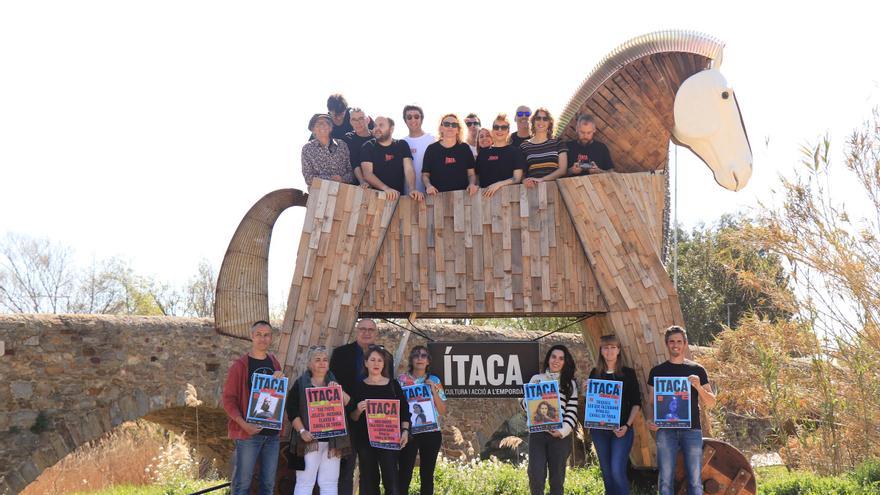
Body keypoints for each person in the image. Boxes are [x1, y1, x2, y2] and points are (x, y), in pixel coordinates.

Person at [647, 326, 716, 495]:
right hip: (665, 431)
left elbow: (712, 402)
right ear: (667, 344)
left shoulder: (697, 370)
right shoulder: (657, 372)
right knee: (665, 479)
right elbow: (652, 403)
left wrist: (698, 386)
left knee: (695, 479)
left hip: (691, 430)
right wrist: (651, 420)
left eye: (679, 341)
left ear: (685, 344)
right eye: (672, 341)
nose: (675, 345)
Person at [221, 321, 284, 495]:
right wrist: (243, 424)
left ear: (271, 338)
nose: (262, 339)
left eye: (266, 335)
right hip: (248, 434)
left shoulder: (274, 363)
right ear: (252, 336)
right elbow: (228, 400)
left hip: (271, 435)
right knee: (242, 484)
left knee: (268, 485)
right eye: (258, 334)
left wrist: (280, 378)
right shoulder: (240, 366)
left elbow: (276, 396)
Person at [286, 346, 353, 495]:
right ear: (309, 363)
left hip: (333, 441)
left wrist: (338, 390)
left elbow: (349, 403)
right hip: (309, 441)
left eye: (325, 360)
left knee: (329, 483)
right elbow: (291, 410)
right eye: (317, 360)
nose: (322, 363)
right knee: (305, 482)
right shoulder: (300, 384)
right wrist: (302, 431)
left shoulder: (334, 381)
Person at [349, 346, 410, 495]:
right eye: (372, 360)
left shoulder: (393, 385)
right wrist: (357, 409)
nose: (376, 363)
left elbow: (404, 412)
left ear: (384, 364)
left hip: (389, 440)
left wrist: (405, 432)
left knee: (391, 480)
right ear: (366, 363)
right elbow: (352, 417)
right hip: (365, 441)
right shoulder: (358, 386)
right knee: (369, 481)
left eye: (380, 360)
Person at [587, 334, 641, 495]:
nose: (609, 351)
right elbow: (593, 403)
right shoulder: (595, 373)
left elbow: (636, 403)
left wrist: (627, 425)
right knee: (607, 473)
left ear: (618, 350)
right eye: (606, 347)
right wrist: (587, 391)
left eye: (613, 347)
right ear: (601, 351)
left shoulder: (628, 374)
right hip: (599, 431)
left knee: (617, 471)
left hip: (621, 431)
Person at [330, 319, 379, 495]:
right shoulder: (341, 353)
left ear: (376, 333)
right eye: (363, 329)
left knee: (370, 470)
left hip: (374, 421)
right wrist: (350, 406)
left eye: (371, 330)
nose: (367, 333)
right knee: (345, 469)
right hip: (346, 420)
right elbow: (333, 384)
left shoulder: (384, 356)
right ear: (357, 331)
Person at [522, 345, 579, 495]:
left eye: (561, 358)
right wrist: (528, 399)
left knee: (557, 480)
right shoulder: (537, 379)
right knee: (536, 476)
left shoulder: (570, 383)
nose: (556, 361)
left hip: (559, 437)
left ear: (565, 362)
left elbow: (572, 411)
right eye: (554, 357)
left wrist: (561, 432)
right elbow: (525, 405)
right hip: (538, 435)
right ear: (548, 359)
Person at [397, 345, 448, 495]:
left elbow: (443, 410)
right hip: (409, 432)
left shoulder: (434, 380)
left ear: (428, 361)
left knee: (427, 475)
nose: (420, 358)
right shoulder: (401, 380)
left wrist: (433, 390)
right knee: (404, 474)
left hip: (431, 431)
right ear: (411, 360)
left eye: (423, 356)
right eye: (416, 355)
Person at [360, 116, 424, 202]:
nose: (376, 128)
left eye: (381, 125)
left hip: (398, 199)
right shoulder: (368, 146)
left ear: (391, 129)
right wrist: (386, 189)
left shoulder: (402, 145)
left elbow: (409, 169)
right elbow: (367, 174)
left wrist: (412, 189)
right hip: (374, 199)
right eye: (375, 125)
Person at [422, 114, 479, 196]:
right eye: (446, 124)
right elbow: (425, 175)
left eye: (454, 125)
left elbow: (471, 174)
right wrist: (428, 186)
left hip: (463, 198)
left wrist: (472, 184)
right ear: (441, 128)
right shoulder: (432, 149)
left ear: (458, 130)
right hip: (437, 198)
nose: (450, 127)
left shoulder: (465, 148)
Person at [475, 114, 524, 198]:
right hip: (486, 200)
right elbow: (477, 178)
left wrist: (498, 184)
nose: (499, 130)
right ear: (493, 131)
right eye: (496, 127)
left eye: (503, 127)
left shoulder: (515, 151)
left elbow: (517, 178)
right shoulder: (483, 153)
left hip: (510, 198)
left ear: (508, 131)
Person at [301, 113, 356, 187]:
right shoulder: (307, 149)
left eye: (326, 123)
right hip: (319, 194)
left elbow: (352, 173)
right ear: (313, 130)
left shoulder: (342, 145)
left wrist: (342, 179)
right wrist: (330, 179)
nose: (322, 126)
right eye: (318, 124)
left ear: (330, 128)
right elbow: (308, 178)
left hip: (343, 192)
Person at [521, 108, 568, 187]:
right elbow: (521, 173)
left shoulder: (558, 143)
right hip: (532, 190)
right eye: (538, 118)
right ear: (533, 121)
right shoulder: (524, 146)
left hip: (554, 189)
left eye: (545, 119)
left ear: (549, 123)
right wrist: (524, 180)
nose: (541, 121)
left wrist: (542, 180)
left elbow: (562, 170)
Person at [400, 104, 434, 194]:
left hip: (431, 194)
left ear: (421, 118)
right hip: (408, 195)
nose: (413, 120)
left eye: (416, 116)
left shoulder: (432, 139)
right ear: (405, 120)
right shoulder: (402, 143)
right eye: (409, 117)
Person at [342, 108, 375, 187]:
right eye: (354, 119)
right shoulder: (348, 138)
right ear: (350, 122)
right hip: (358, 185)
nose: (357, 123)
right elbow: (354, 161)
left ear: (368, 120)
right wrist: (362, 181)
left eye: (361, 119)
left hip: (380, 182)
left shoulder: (376, 137)